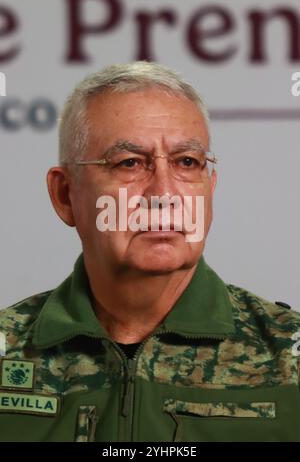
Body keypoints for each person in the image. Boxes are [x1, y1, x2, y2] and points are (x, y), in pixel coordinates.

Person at [0, 61, 300, 442]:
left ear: (211, 188)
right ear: (65, 195)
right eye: (129, 163)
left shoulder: (290, 355)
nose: (164, 194)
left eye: (187, 163)